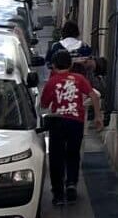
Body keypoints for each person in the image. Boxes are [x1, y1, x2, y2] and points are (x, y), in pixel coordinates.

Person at [38, 49, 102, 207]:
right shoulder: (79, 79)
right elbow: (93, 95)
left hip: (57, 121)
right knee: (73, 153)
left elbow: (44, 104)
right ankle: (71, 183)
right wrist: (98, 116)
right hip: (76, 121)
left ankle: (58, 193)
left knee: (56, 157)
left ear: (53, 65)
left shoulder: (52, 82)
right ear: (71, 64)